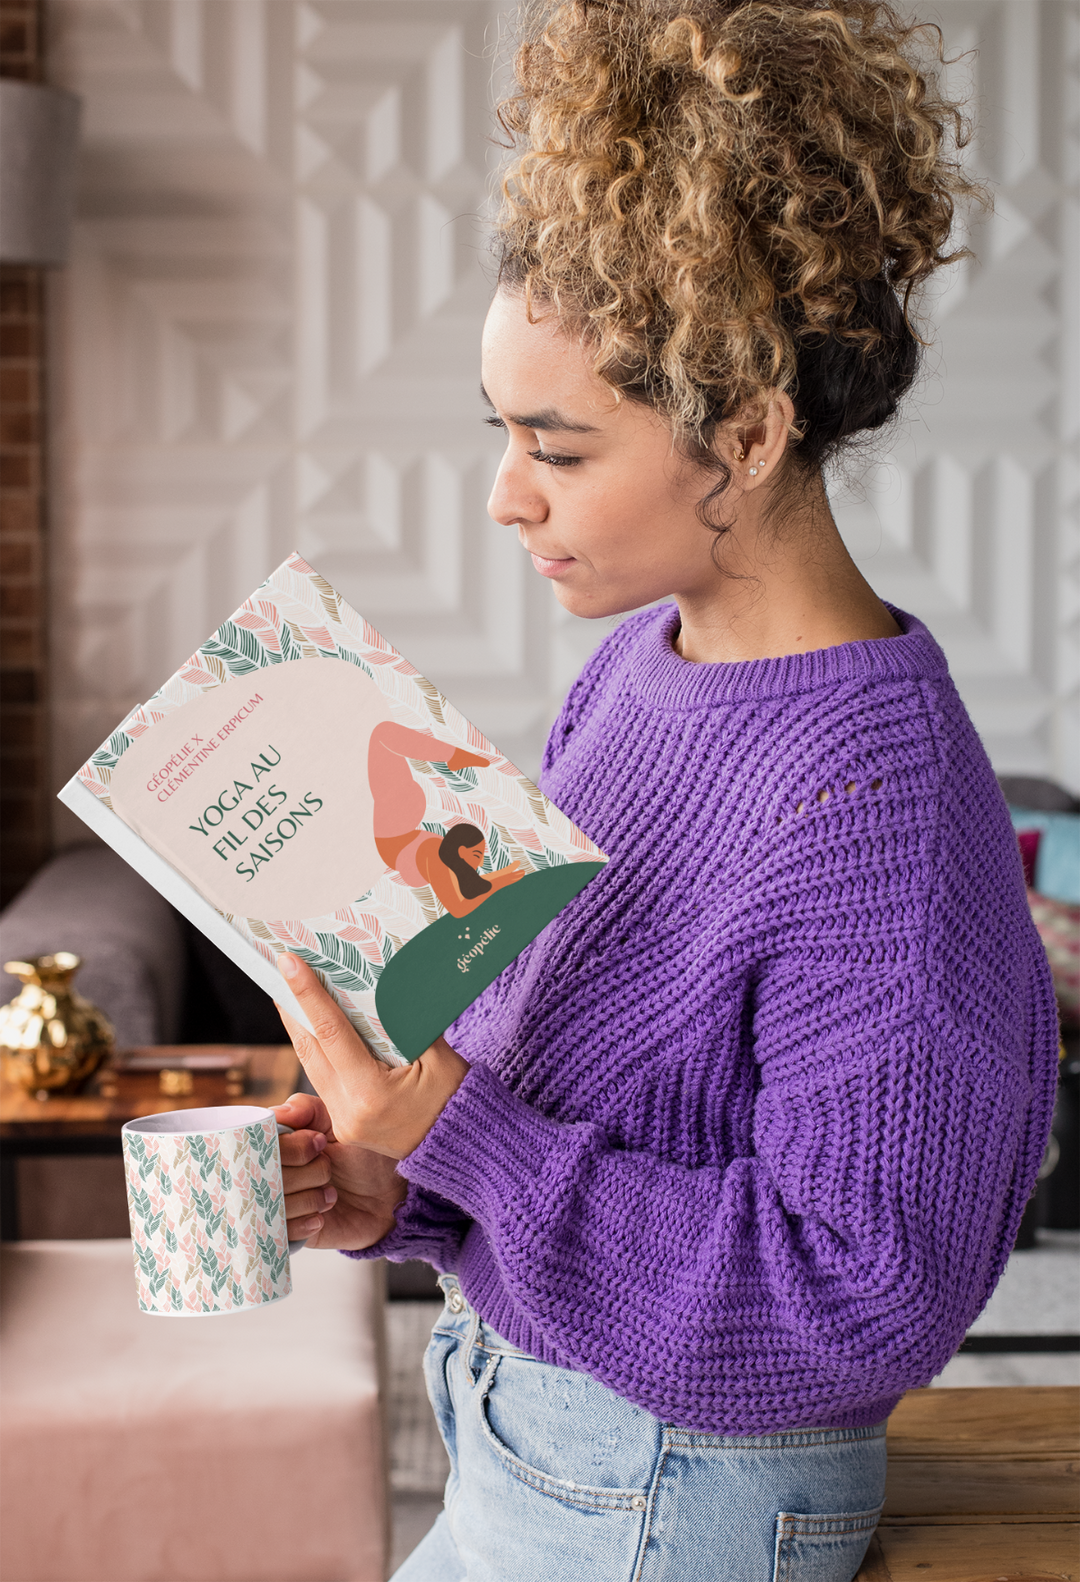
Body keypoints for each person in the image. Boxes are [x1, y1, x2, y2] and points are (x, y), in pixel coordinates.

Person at [273, 3, 1058, 1577]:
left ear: (748, 433)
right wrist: (398, 1182)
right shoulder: (638, 673)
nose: (506, 497)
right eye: (503, 434)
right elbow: (573, 1094)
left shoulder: (872, 813)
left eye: (556, 450)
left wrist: (456, 1134)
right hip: (533, 1436)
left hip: (670, 1492)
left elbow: (858, 1300)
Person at [368, 720, 524, 918]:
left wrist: (500, 881)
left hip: (394, 832)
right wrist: (501, 877)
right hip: (397, 832)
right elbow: (469, 893)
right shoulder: (438, 858)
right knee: (382, 737)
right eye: (477, 855)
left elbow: (459, 909)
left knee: (382, 735)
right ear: (461, 851)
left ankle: (454, 756)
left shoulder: (434, 856)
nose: (480, 863)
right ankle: (454, 756)